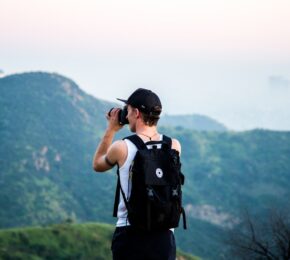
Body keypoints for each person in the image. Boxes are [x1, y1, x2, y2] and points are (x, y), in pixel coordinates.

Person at [92, 88, 181, 260]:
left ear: (137, 113)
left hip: (130, 235)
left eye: (128, 110)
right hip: (164, 237)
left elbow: (97, 164)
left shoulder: (122, 147)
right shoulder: (174, 146)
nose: (126, 115)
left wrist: (111, 129)